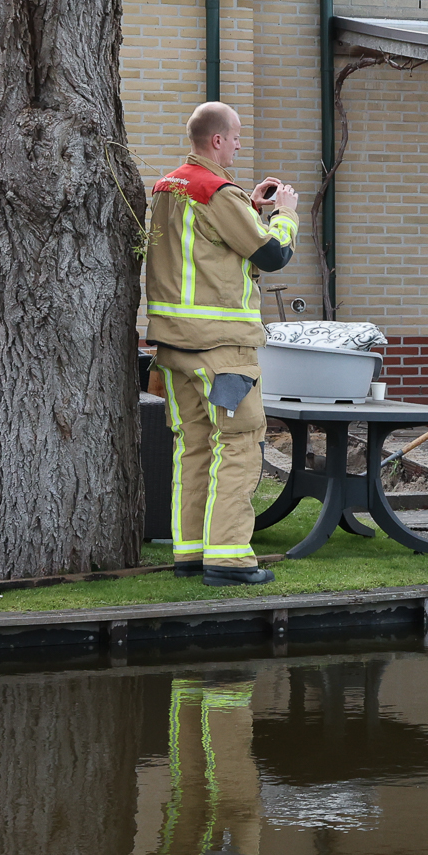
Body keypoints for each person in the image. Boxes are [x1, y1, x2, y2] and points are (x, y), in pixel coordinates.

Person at [146, 101, 299, 587]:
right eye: (234, 137)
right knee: (236, 445)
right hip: (222, 350)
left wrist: (251, 207)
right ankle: (230, 559)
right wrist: (284, 216)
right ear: (216, 140)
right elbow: (271, 255)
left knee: (191, 447)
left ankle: (190, 553)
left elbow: (208, 251)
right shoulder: (217, 192)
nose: (238, 144)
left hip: (172, 345)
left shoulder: (168, 187)